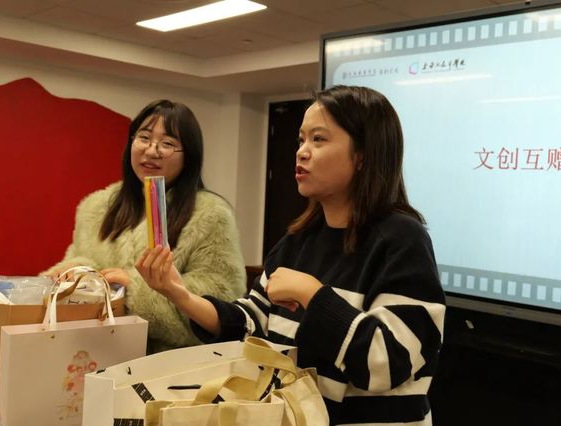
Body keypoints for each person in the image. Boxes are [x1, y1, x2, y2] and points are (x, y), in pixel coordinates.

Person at [136, 86, 446, 425]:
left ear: (362, 155)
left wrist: (312, 295)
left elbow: (389, 362)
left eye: (319, 139)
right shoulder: (297, 241)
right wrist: (178, 293)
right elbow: (251, 323)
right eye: (301, 140)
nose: (302, 152)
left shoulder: (402, 239)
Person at [44, 99, 247, 353]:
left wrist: (135, 288)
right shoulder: (97, 206)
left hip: (167, 362)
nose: (152, 151)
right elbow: (78, 258)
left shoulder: (210, 214)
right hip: (96, 352)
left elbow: (221, 301)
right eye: (144, 138)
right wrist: (75, 273)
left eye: (168, 144)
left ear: (189, 156)